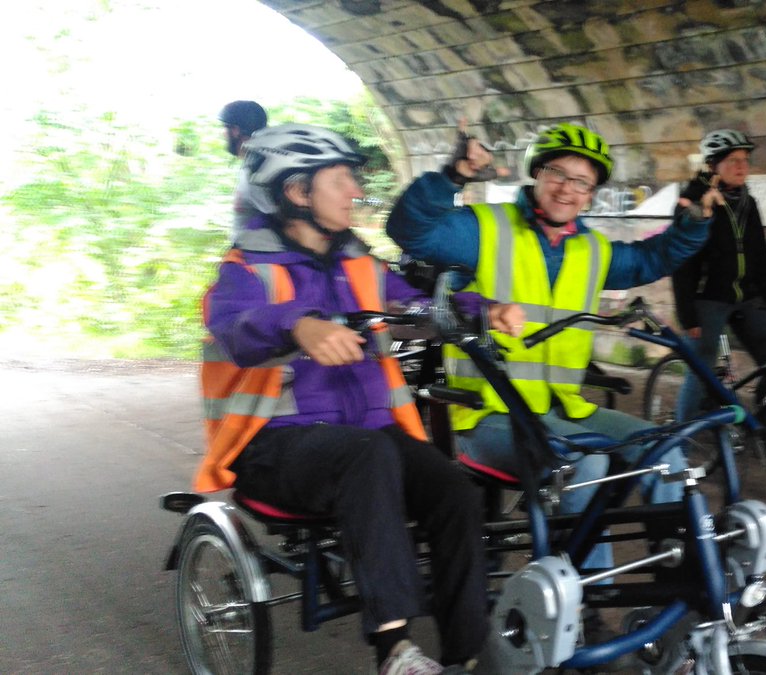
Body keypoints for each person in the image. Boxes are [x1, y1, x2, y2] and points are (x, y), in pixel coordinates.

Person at [196, 123, 523, 674]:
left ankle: (466, 654)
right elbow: (235, 327)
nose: (355, 191)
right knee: (368, 457)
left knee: (456, 491)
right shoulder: (245, 270)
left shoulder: (358, 262)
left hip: (369, 441)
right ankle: (394, 649)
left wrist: (479, 310)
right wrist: (298, 325)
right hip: (273, 448)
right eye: (341, 179)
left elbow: (411, 306)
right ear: (297, 191)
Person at [386, 121, 716, 594]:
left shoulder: (592, 250)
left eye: (581, 182)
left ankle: (680, 584)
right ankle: (584, 596)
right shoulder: (486, 229)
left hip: (561, 407)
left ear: (592, 193)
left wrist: (695, 223)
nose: (567, 189)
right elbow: (410, 230)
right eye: (557, 174)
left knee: (665, 451)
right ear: (536, 175)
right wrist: (453, 175)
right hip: (486, 415)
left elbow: (652, 259)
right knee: (587, 461)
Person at [670, 129, 766, 470]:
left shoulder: (748, 201)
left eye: (745, 160)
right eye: (733, 161)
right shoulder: (694, 199)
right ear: (713, 165)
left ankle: (763, 432)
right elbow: (682, 260)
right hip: (708, 298)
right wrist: (687, 316)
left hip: (747, 296)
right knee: (700, 367)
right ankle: (677, 446)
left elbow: (760, 254)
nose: (742, 167)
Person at [218, 100, 271, 241]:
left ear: (236, 131)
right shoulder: (253, 164)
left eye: (224, 128)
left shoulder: (259, 169)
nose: (222, 134)